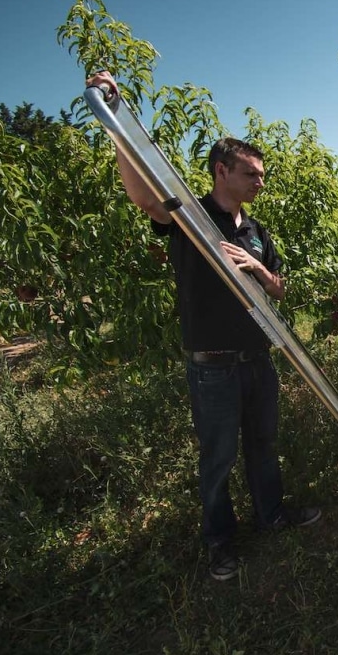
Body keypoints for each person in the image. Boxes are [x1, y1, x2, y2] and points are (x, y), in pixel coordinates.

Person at [86, 71, 321, 581]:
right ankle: (220, 543)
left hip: (258, 359)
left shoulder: (257, 231)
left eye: (261, 175)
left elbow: (280, 289)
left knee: (264, 444)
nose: (260, 182)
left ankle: (271, 515)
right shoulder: (192, 217)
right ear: (222, 171)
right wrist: (115, 122)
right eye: (251, 173)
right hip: (212, 368)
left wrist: (257, 268)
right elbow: (147, 199)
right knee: (218, 458)